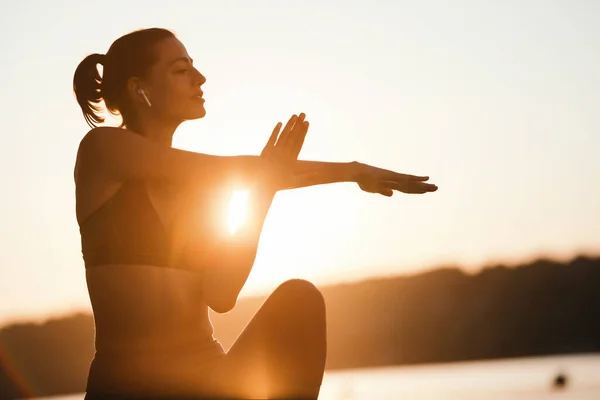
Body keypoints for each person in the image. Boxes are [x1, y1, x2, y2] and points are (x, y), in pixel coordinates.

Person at [72, 27, 437, 400]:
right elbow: (232, 170)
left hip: (208, 381)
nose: (200, 78)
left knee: (300, 301)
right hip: (126, 387)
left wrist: (264, 189)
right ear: (139, 89)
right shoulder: (103, 149)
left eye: (194, 68)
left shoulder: (198, 191)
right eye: (181, 70)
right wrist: (349, 170)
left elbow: (222, 292)